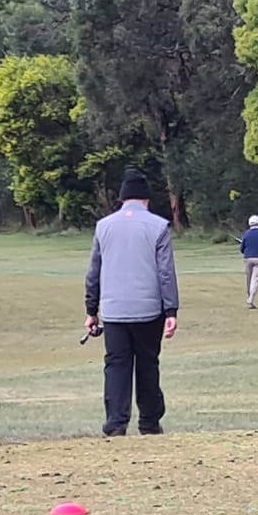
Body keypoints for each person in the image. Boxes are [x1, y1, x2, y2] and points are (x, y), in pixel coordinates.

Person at [84, 169, 180, 437]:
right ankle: (149, 422)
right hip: (149, 310)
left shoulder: (103, 227)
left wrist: (91, 310)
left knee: (116, 364)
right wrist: (171, 309)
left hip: (114, 311)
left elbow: (94, 272)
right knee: (147, 363)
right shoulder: (159, 226)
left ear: (122, 199)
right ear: (146, 200)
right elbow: (165, 272)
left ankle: (116, 422)